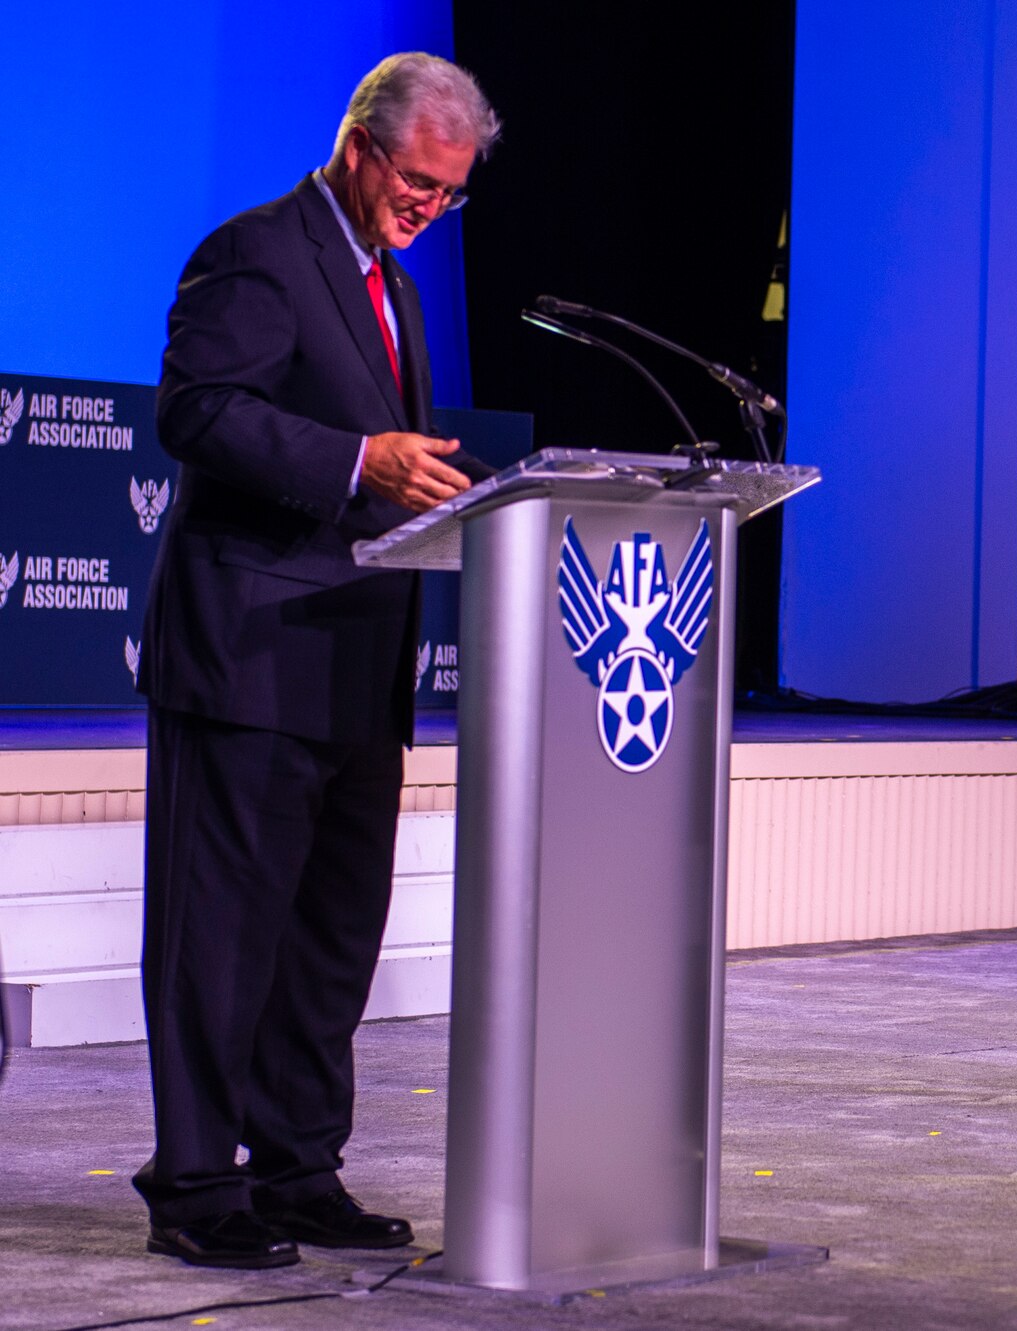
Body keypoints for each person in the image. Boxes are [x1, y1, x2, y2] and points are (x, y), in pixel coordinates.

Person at [135, 53, 500, 1268]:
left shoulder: (391, 284)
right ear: (360, 146)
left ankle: (296, 1167)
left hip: (357, 655)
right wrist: (360, 461)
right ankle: (195, 1184)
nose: (428, 208)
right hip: (249, 652)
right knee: (220, 935)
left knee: (330, 936)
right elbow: (197, 410)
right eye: (417, 182)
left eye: (450, 194)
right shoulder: (256, 250)